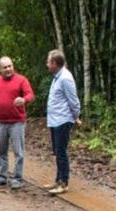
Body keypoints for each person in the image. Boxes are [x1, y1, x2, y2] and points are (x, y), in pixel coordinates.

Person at [0, 56, 35, 189]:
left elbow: (30, 94)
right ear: (0, 69)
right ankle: (2, 176)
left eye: (10, 66)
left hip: (17, 122)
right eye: (5, 67)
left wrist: (24, 100)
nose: (8, 69)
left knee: (18, 151)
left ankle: (17, 178)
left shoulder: (21, 80)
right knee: (1, 151)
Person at [45, 49, 81, 194]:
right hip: (55, 120)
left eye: (48, 62)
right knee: (57, 151)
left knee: (61, 152)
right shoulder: (57, 77)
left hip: (63, 120)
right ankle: (58, 180)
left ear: (54, 63)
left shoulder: (65, 78)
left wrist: (76, 117)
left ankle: (64, 182)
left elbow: (74, 101)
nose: (47, 64)